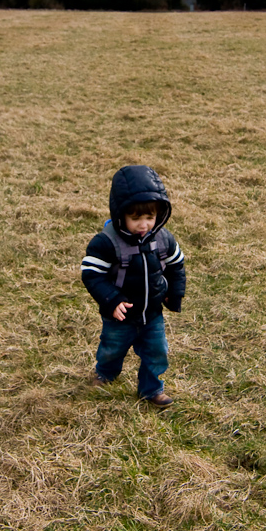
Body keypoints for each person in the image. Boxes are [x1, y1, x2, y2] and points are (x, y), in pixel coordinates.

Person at [81, 165, 186, 407]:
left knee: (157, 351)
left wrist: (174, 293)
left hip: (152, 313)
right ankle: (105, 372)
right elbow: (92, 274)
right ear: (120, 214)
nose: (143, 225)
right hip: (121, 315)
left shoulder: (164, 239)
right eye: (135, 218)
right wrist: (112, 300)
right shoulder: (106, 243)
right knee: (112, 348)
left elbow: (176, 265)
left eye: (150, 218)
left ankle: (152, 389)